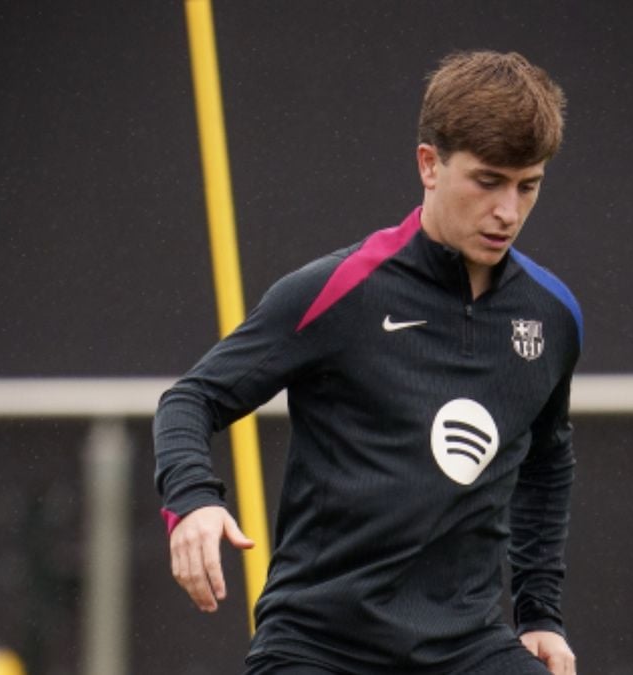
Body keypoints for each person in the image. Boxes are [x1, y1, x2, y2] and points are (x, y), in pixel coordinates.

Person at [155, 50, 582, 674]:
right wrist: (193, 499)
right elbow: (190, 400)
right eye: (488, 181)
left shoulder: (553, 314)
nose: (508, 212)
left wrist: (539, 613)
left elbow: (547, 461)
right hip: (318, 648)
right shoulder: (338, 291)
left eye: (528, 186)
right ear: (428, 164)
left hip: (467, 647)